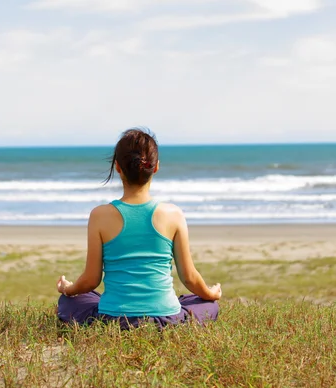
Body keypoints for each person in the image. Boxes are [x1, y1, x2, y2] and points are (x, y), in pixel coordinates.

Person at [57, 128, 221, 329]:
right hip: (166, 320)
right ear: (156, 167)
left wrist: (69, 288)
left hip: (115, 320)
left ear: (117, 167)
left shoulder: (99, 215)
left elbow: (91, 280)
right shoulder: (174, 214)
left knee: (70, 300)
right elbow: (189, 277)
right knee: (205, 303)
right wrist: (211, 294)